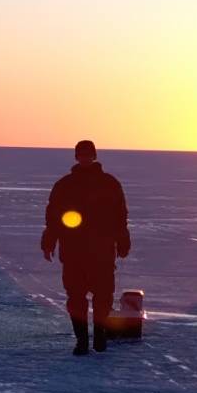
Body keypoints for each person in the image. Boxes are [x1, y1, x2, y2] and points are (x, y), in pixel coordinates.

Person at [41, 140, 131, 355]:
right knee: (75, 297)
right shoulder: (64, 185)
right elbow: (53, 216)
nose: (85, 157)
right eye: (81, 154)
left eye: (88, 154)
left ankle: (100, 336)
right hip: (73, 252)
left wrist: (123, 240)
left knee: (103, 296)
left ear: (94, 155)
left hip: (102, 251)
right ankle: (81, 341)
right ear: (76, 157)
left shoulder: (110, 184)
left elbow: (120, 215)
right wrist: (49, 241)